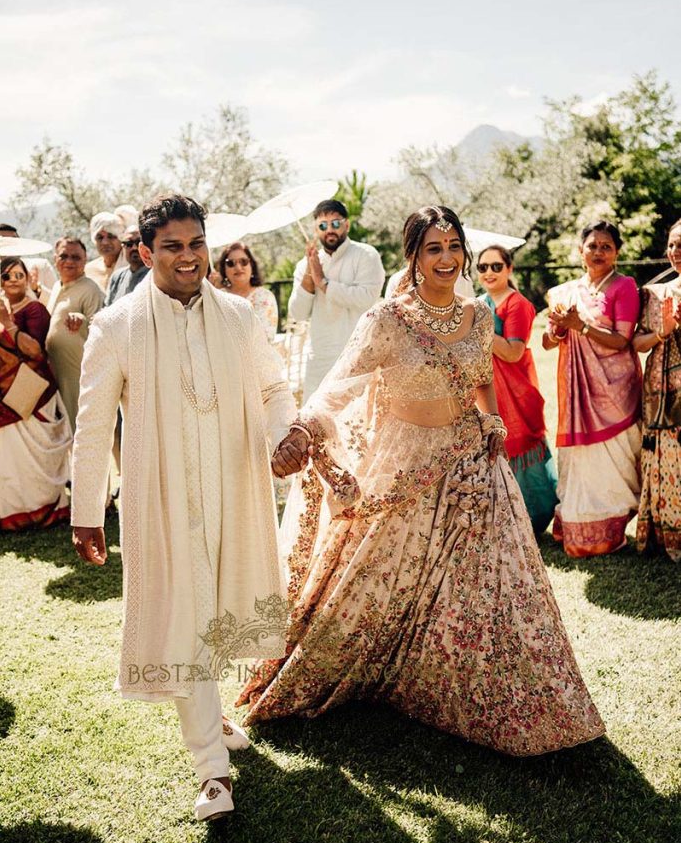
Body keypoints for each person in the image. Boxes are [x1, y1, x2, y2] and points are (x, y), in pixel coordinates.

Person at [237, 205, 604, 757]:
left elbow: (481, 380)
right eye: (433, 248)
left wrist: (491, 424)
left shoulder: (479, 317)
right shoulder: (387, 319)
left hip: (473, 466)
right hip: (405, 466)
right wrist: (302, 432)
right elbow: (340, 387)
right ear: (412, 256)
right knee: (377, 583)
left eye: (454, 246)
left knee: (500, 587)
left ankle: (518, 696)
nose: (448, 259)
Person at [71, 193, 296, 821]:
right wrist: (86, 510)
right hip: (162, 495)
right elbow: (91, 428)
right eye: (172, 246)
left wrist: (286, 435)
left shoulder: (238, 316)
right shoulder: (116, 327)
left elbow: (275, 387)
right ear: (145, 252)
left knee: (220, 606)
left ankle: (213, 716)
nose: (189, 257)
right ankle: (212, 771)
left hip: (234, 486)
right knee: (186, 608)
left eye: (196, 243)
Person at [543, 220, 641, 557]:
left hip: (614, 390)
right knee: (583, 462)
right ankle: (580, 526)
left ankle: (612, 528)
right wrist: (559, 329)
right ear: (581, 250)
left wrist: (581, 327)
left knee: (615, 459)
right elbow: (546, 341)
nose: (598, 252)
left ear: (616, 252)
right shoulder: (565, 292)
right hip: (577, 393)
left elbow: (622, 340)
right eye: (592, 245)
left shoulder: (624, 286)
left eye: (606, 246)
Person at [477, 246, 558, 533]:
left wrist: (480, 326)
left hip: (516, 390)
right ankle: (504, 521)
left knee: (520, 445)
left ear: (509, 269)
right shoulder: (479, 302)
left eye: (496, 266)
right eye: (483, 267)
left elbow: (513, 351)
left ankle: (533, 518)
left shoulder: (517, 304)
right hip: (486, 389)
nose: (489, 272)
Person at [0, 257, 71, 529]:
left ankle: (44, 509)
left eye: (19, 274)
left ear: (28, 278)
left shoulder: (35, 309)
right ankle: (13, 511)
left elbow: (38, 352)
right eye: (7, 276)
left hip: (32, 393)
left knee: (32, 456)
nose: (14, 280)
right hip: (6, 395)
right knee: (8, 455)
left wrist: (7, 323)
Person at [287, 200, 385, 401]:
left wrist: (323, 282)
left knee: (356, 425)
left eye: (335, 223)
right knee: (315, 422)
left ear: (346, 225)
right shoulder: (306, 264)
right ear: (316, 230)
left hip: (358, 354)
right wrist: (309, 271)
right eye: (323, 226)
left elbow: (367, 299)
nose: (329, 230)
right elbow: (297, 313)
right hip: (319, 357)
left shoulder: (366, 255)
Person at [634, 219, 681, 560]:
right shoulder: (655, 293)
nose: (676, 252)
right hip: (661, 387)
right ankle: (666, 536)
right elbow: (637, 342)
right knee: (664, 455)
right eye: (672, 245)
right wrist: (664, 331)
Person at [46, 237, 104, 432]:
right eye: (64, 256)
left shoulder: (90, 289)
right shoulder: (56, 287)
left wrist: (81, 319)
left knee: (78, 429)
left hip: (78, 374)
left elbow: (100, 329)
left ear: (85, 260)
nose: (69, 261)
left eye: (75, 257)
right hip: (55, 372)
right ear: (55, 259)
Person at [214, 242, 278, 342]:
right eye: (231, 263)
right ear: (224, 270)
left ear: (252, 265)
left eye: (243, 262)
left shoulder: (264, 297)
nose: (238, 267)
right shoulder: (217, 298)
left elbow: (265, 336)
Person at [85, 206, 137, 293]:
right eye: (100, 237)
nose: (105, 242)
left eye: (111, 236)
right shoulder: (88, 270)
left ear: (121, 238)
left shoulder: (133, 267)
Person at [105, 225, 149, 306]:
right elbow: (106, 310)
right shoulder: (117, 277)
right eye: (128, 244)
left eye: (139, 242)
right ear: (123, 247)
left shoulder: (156, 275)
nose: (134, 248)